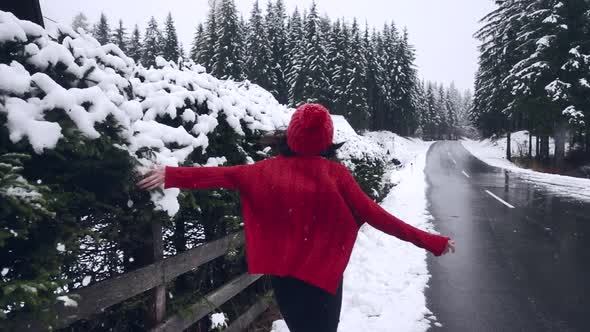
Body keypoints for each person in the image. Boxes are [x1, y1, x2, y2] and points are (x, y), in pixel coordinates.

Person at [137, 103, 455, 332]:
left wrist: (170, 174)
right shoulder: (337, 175)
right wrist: (431, 241)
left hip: (285, 277)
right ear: (327, 139)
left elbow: (220, 175)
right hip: (324, 278)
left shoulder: (264, 171)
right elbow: (378, 216)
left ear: (292, 135)